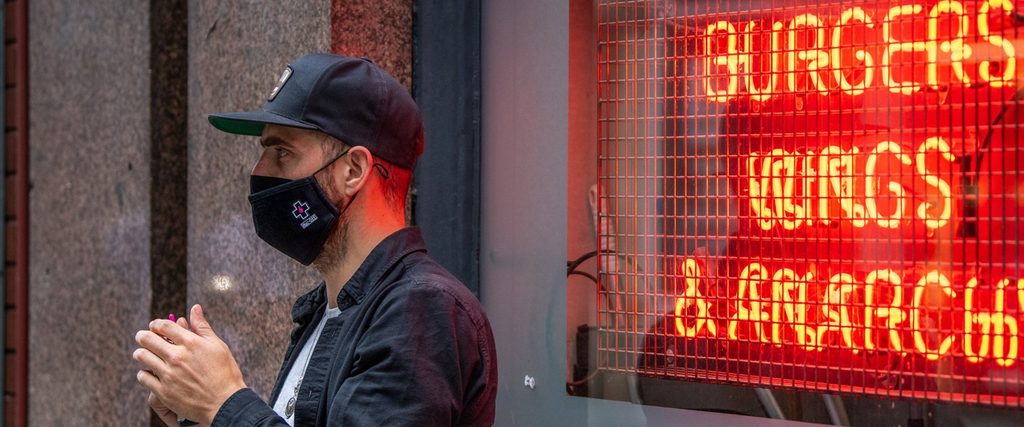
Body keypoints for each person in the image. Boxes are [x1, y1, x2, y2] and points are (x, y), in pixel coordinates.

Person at [132, 53, 498, 426]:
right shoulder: (328, 311)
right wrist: (200, 414)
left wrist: (223, 404)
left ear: (353, 170)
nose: (260, 171)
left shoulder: (421, 309)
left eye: (282, 152)